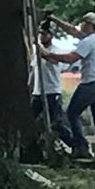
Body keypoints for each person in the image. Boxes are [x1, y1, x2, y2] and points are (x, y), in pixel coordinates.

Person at [63, 11, 95, 160]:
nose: (82, 24)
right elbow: (72, 30)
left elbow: (71, 58)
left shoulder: (88, 42)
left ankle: (81, 147)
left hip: (91, 83)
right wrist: (54, 20)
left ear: (90, 25)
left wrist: (47, 54)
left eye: (85, 22)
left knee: (72, 113)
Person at [32, 18, 76, 149]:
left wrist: (38, 47)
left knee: (56, 122)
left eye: (45, 34)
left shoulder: (57, 51)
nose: (41, 36)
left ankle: (74, 144)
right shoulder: (36, 51)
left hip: (52, 91)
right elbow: (33, 70)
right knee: (31, 120)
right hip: (38, 92)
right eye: (40, 34)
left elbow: (50, 58)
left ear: (51, 36)